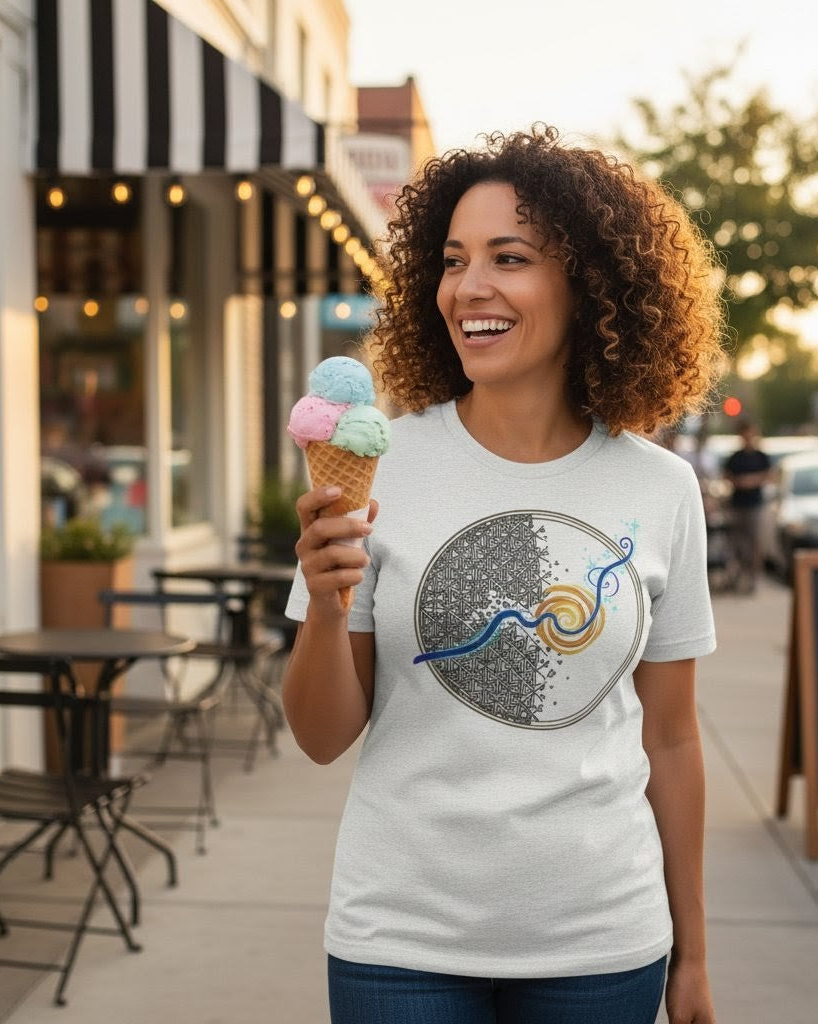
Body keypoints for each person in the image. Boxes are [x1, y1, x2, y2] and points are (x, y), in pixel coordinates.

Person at [282, 125, 725, 1024]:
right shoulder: (381, 468)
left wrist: (695, 954)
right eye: (452, 260)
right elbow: (322, 736)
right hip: (399, 940)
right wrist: (328, 612)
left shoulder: (662, 488)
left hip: (601, 941)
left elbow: (672, 741)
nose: (469, 287)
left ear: (590, 283)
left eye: (509, 257)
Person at [722, 420, 771, 593]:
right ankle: (737, 577)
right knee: (737, 543)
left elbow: (769, 475)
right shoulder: (735, 457)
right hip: (737, 504)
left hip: (754, 505)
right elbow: (726, 475)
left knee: (755, 543)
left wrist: (751, 481)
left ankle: (753, 578)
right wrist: (739, 482)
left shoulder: (761, 456)